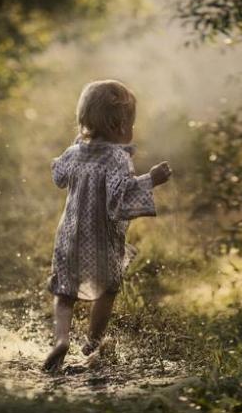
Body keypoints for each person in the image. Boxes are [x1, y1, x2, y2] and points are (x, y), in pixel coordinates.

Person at [42, 79, 172, 372]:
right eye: (131, 123)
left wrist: (72, 150)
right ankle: (93, 343)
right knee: (107, 290)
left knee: (64, 294)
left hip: (69, 237)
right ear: (118, 126)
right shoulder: (117, 158)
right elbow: (120, 197)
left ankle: (60, 340)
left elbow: (58, 177)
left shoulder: (75, 152)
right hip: (100, 240)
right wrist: (151, 179)